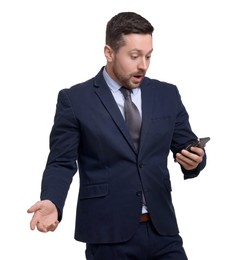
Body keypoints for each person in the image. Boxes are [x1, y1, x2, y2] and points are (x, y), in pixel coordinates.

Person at [27, 11, 207, 259]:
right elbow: (61, 161)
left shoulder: (167, 94)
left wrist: (195, 159)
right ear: (109, 53)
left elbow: (186, 145)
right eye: (134, 56)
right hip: (107, 235)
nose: (142, 65)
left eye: (148, 56)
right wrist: (52, 201)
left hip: (163, 232)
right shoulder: (75, 100)